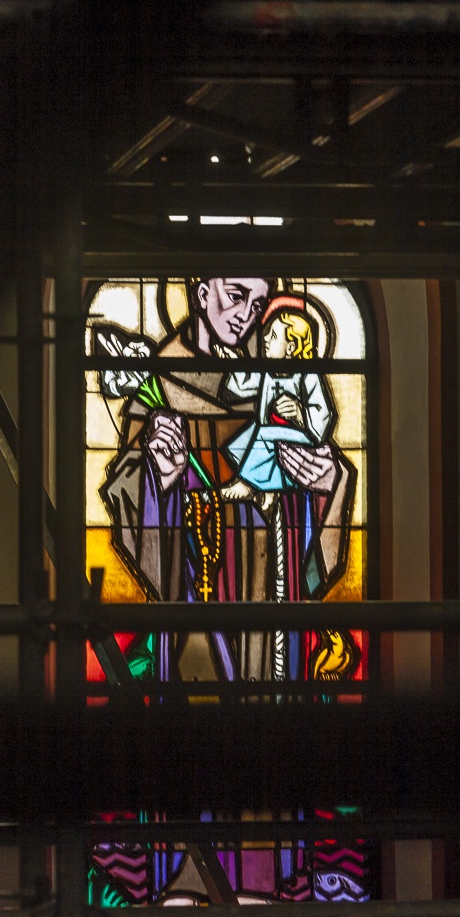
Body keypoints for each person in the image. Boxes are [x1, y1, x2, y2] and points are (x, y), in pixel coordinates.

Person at [101, 277, 355, 684]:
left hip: (271, 577)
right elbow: (124, 491)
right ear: (201, 294)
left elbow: (321, 456)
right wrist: (158, 477)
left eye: (258, 306)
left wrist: (327, 482)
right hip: (192, 574)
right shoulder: (158, 386)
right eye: (236, 296)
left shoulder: (275, 374)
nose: (246, 316)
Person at [221, 299, 334, 513]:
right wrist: (235, 363)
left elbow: (323, 414)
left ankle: (248, 484)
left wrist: (300, 412)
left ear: (291, 347)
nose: (265, 339)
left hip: (303, 440)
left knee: (263, 435)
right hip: (274, 436)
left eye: (273, 336)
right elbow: (240, 388)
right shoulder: (267, 372)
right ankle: (269, 488)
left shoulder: (307, 375)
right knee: (243, 441)